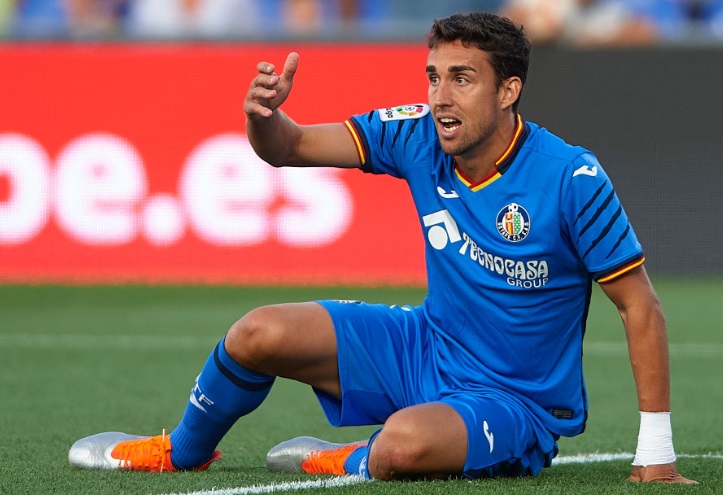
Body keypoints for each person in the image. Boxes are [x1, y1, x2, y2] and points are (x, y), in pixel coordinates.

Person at [68, 12, 695, 484]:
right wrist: (263, 117)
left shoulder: (570, 177)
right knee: (257, 333)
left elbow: (639, 306)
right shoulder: (417, 135)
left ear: (508, 91)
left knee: (401, 446)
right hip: (424, 347)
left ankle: (345, 457)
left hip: (515, 401)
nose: (441, 96)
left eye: (462, 79)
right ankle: (181, 452)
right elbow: (290, 147)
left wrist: (657, 452)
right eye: (434, 77)